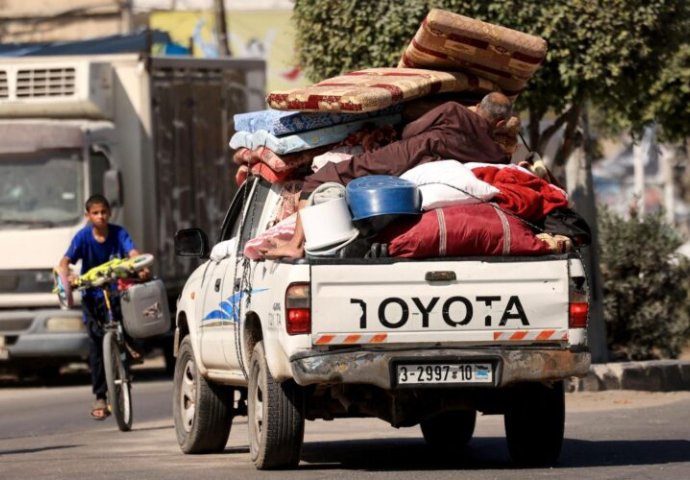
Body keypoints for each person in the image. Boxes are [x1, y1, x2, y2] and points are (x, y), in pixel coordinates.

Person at [263, 91, 515, 259]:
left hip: (402, 157)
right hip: (425, 173)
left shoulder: (453, 111)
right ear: (500, 124)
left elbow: (409, 132)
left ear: (478, 105)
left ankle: (296, 245)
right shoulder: (494, 153)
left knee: (323, 175)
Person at [57, 194, 149, 420]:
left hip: (116, 291)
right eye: (95, 213)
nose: (100, 217)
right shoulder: (82, 237)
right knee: (96, 348)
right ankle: (100, 396)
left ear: (109, 213)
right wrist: (66, 275)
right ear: (87, 216)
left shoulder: (119, 233)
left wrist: (138, 266)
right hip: (92, 296)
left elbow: (133, 253)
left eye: (103, 212)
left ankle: (130, 345)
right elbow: (65, 261)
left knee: (130, 315)